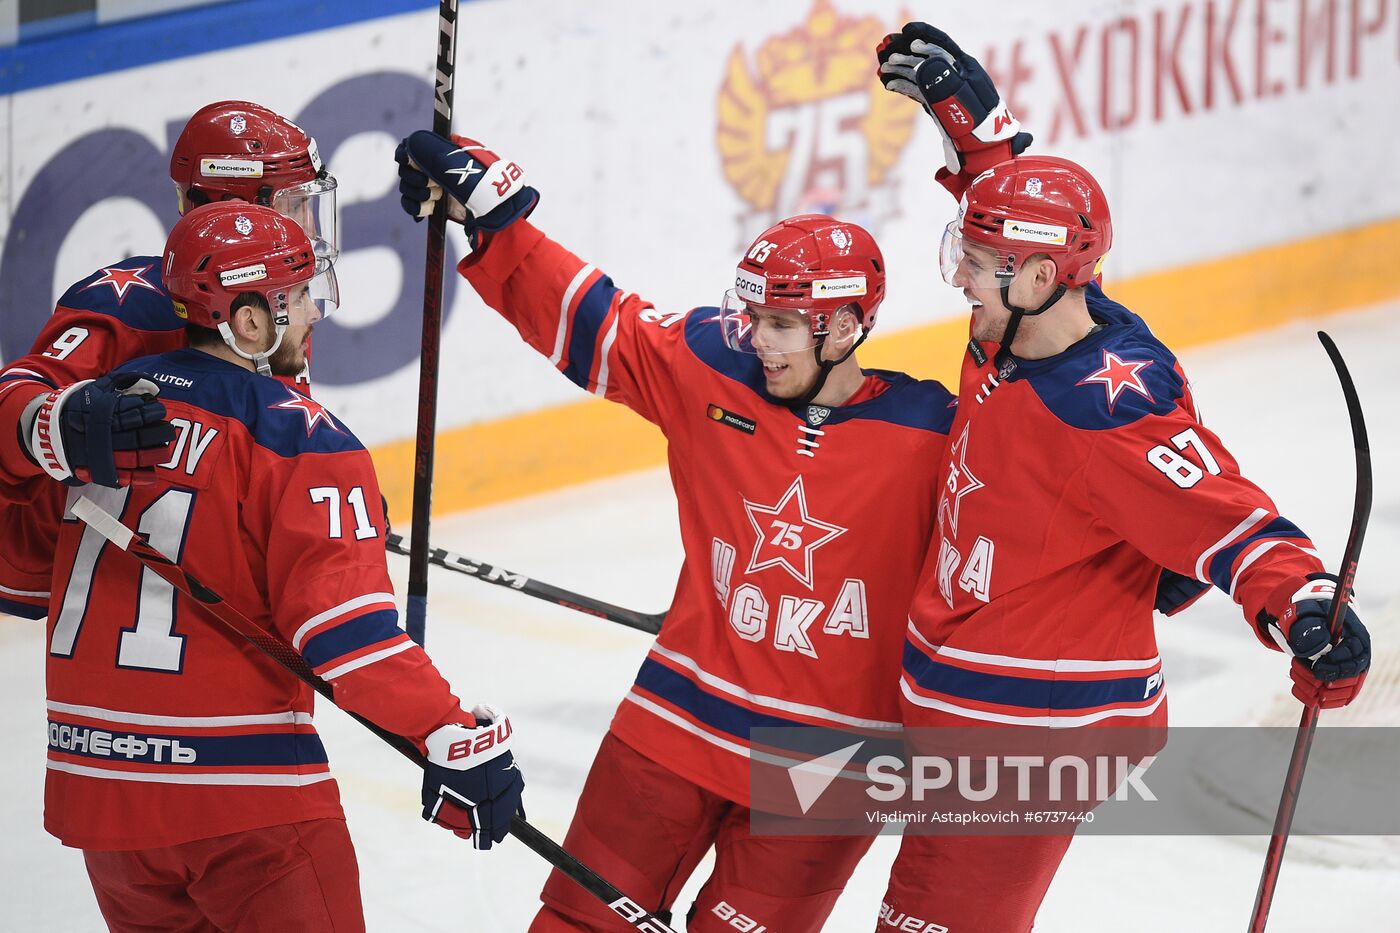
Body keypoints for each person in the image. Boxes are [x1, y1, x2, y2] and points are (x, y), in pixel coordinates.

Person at [872, 23, 1373, 930]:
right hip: (974, 698)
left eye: (978, 269)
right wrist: (978, 128)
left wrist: (1305, 600)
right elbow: (1012, 209)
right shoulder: (1023, 323)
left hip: (1030, 732)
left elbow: (1230, 516)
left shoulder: (1107, 414)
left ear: (1036, 275)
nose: (962, 284)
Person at [393, 131, 959, 930]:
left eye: (784, 323)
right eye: (755, 313)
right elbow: (599, 325)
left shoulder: (933, 433)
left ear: (844, 328)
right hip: (674, 721)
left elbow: (1030, 504)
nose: (759, 336)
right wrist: (495, 222)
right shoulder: (712, 364)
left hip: (833, 768)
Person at [37, 202, 524, 932]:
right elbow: (346, 639)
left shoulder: (106, 410)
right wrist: (450, 733)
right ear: (250, 320)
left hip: (104, 800)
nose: (312, 316)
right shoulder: (298, 436)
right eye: (297, 297)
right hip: (246, 807)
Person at [0, 100, 337, 621]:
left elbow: (273, 447)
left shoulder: (274, 306)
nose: (308, 225)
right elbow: (14, 400)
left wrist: (321, 498)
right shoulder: (125, 305)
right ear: (237, 209)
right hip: (60, 560)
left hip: (167, 577)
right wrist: (59, 422)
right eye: (295, 204)